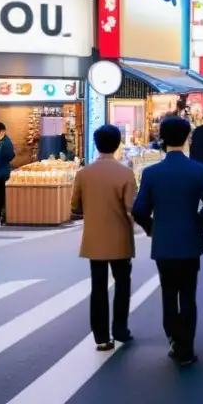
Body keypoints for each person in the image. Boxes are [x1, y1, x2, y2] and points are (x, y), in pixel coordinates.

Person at [132, 116, 203, 366]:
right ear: (187, 138)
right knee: (188, 295)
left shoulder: (151, 173)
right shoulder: (199, 170)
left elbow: (138, 209)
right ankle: (187, 348)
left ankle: (174, 340)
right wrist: (196, 227)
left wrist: (152, 228)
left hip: (164, 243)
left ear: (162, 139)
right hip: (190, 243)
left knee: (168, 294)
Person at [71, 124, 137, 351]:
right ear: (118, 144)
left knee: (98, 287)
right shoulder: (126, 173)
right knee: (122, 283)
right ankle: (120, 329)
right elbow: (131, 207)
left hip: (94, 238)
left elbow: (75, 206)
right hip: (120, 238)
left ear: (96, 145)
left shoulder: (83, 173)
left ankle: (101, 337)